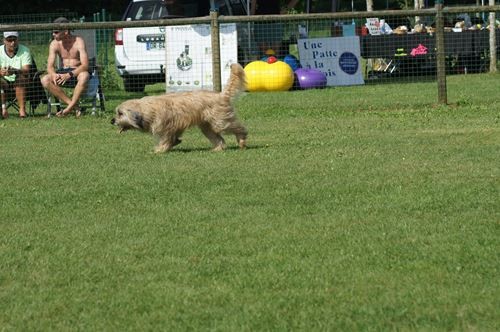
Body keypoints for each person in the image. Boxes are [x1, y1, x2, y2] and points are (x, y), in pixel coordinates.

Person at [41, 17, 89, 117]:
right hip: (63, 72)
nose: (53, 34)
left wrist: (69, 74)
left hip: (77, 72)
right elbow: (49, 66)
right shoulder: (54, 44)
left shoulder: (79, 41)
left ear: (66, 31)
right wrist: (53, 74)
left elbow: (85, 65)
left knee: (84, 76)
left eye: (56, 32)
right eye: (53, 32)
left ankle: (68, 109)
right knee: (45, 80)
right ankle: (74, 107)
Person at [0, 31, 32, 119]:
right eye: (9, 40)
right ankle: (3, 109)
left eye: (14, 40)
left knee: (20, 79)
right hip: (4, 81)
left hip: (21, 82)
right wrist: (1, 72)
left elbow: (26, 70)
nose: (12, 43)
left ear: (18, 40)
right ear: (4, 41)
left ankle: (22, 110)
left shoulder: (25, 50)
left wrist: (14, 71)